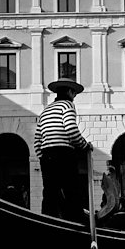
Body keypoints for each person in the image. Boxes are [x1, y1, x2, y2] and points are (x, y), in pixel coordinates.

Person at [34, 78, 92, 221]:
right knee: (71, 189)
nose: (75, 96)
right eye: (74, 93)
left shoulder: (45, 111)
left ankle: (48, 221)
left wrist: (43, 157)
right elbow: (71, 129)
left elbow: (37, 140)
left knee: (49, 193)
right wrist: (85, 146)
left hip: (46, 155)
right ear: (69, 92)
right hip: (64, 153)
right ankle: (76, 220)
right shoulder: (67, 106)